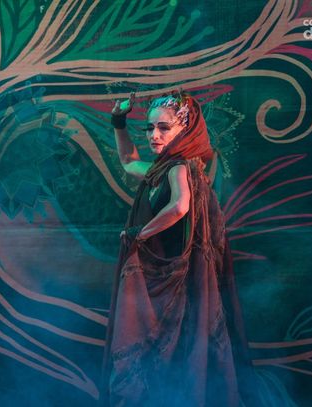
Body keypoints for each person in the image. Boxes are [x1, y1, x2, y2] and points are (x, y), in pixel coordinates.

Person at [98, 91, 262, 406]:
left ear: (184, 130)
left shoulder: (180, 167)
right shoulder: (161, 168)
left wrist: (140, 234)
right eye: (150, 128)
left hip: (173, 283)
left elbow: (179, 206)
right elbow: (128, 162)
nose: (154, 135)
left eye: (164, 128)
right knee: (158, 355)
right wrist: (119, 123)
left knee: (163, 352)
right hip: (158, 278)